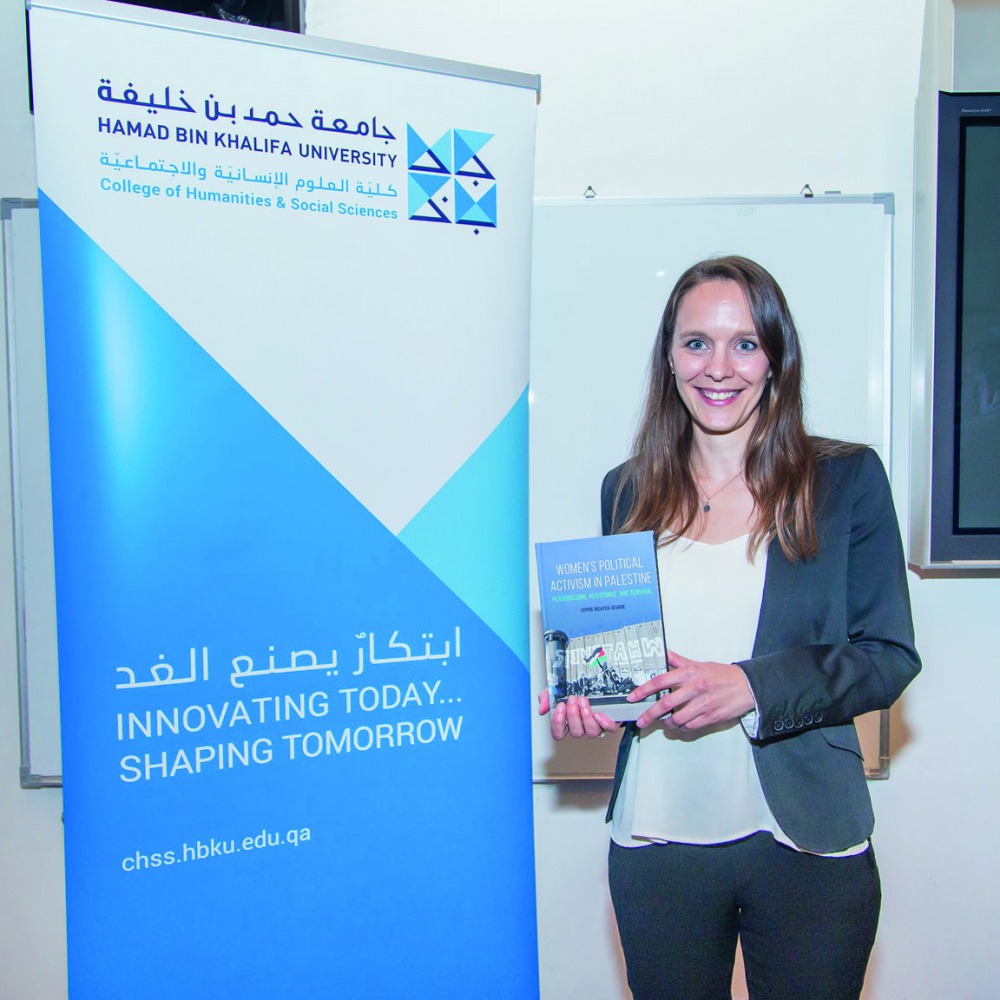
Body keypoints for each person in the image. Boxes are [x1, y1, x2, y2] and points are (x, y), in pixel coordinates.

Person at [538, 255, 920, 1000]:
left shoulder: (844, 481)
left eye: (745, 343)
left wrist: (751, 687)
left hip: (807, 838)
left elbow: (888, 656)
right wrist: (595, 700)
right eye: (696, 343)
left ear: (776, 358)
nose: (719, 367)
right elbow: (624, 657)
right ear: (669, 357)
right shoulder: (625, 490)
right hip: (657, 838)